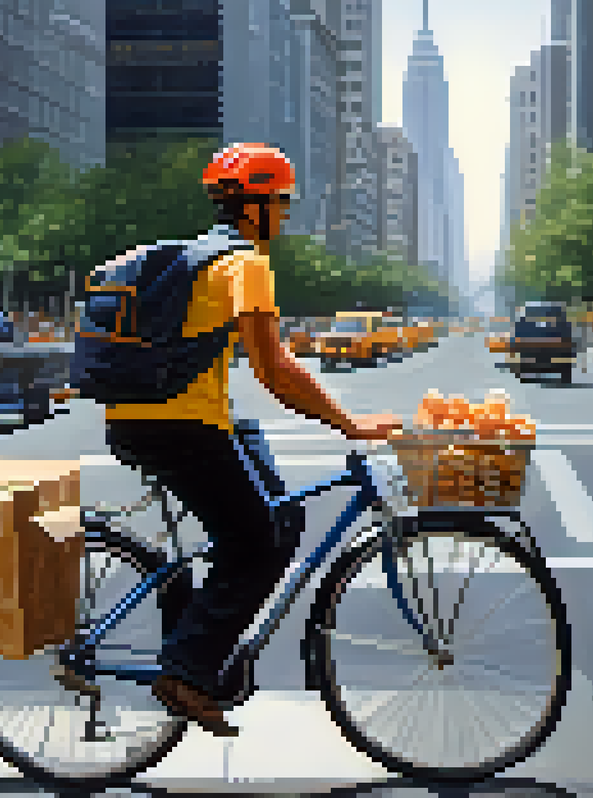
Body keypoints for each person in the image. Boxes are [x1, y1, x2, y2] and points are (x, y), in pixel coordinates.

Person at [102, 143, 402, 736]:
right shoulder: (246, 265)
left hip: (147, 418)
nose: (287, 214)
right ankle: (185, 669)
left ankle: (193, 641)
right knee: (256, 546)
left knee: (275, 518)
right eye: (283, 202)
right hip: (178, 427)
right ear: (257, 205)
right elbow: (276, 370)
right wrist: (351, 426)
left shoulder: (200, 257)